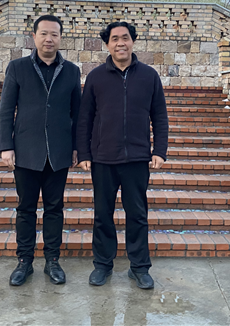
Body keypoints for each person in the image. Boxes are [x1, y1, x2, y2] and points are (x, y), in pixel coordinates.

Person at [77, 21, 168, 290]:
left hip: (137, 159)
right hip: (103, 158)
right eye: (115, 38)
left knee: (137, 215)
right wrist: (84, 153)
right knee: (102, 215)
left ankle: (139, 267)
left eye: (125, 38)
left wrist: (159, 151)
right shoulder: (96, 77)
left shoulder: (149, 76)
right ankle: (102, 265)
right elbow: (84, 118)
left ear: (133, 41)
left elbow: (159, 116)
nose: (120, 43)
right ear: (107, 44)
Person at [0, 14, 81, 287]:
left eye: (54, 34)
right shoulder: (17, 68)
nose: (49, 39)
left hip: (58, 153)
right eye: (44, 33)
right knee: (26, 209)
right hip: (26, 152)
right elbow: (6, 110)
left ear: (60, 38)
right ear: (34, 37)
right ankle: (24, 261)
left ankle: (52, 260)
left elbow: (77, 114)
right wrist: (6, 146)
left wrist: (77, 147)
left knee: (55, 209)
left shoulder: (71, 71)